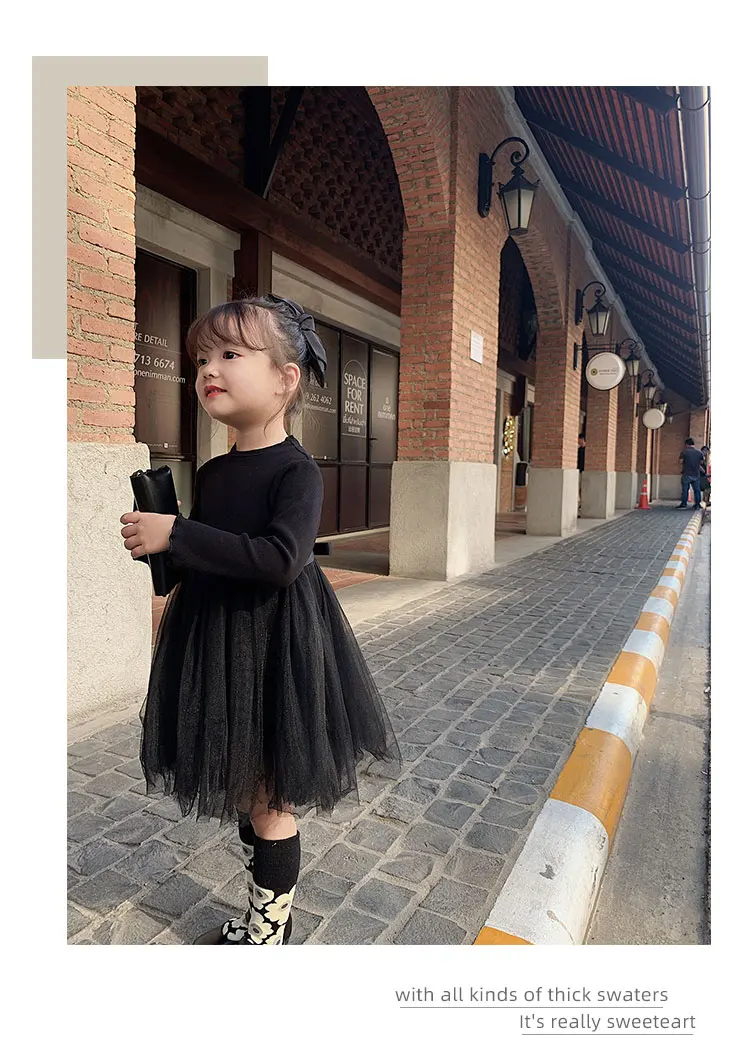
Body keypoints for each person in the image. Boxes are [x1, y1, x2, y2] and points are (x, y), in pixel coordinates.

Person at [120, 296, 400, 945]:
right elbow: (211, 554)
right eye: (200, 359)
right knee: (246, 783)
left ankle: (269, 931)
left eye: (229, 354)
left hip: (278, 645)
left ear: (284, 378)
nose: (207, 370)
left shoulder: (297, 471)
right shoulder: (215, 472)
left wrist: (178, 532)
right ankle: (265, 910)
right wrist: (166, 557)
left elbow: (279, 558)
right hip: (217, 641)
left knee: (272, 795)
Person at [677, 437, 705, 509]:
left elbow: (681, 462)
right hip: (696, 474)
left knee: (685, 490)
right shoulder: (699, 453)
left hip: (686, 473)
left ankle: (684, 504)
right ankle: (697, 504)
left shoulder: (684, 452)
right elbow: (701, 462)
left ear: (686, 444)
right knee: (697, 490)